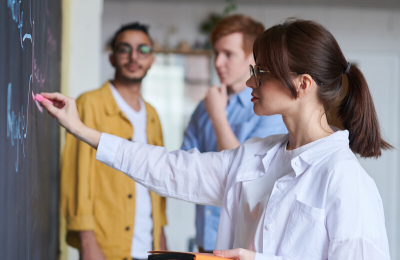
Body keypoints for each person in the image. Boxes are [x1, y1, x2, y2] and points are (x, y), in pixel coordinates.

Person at [42, 18, 392, 260]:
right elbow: (170, 169)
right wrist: (83, 130)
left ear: (302, 84)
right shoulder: (256, 155)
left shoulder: (345, 181)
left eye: (261, 72)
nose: (251, 82)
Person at [60, 22, 167, 260]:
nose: (133, 57)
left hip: (149, 247)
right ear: (112, 58)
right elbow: (76, 176)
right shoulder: (90, 104)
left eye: (143, 50)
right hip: (106, 246)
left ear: (152, 60)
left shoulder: (152, 116)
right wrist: (88, 243)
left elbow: (158, 179)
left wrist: (161, 237)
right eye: (124, 49)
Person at [181, 15, 287, 253]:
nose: (218, 62)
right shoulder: (204, 106)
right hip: (204, 241)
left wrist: (218, 116)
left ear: (251, 57)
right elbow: (186, 163)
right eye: (216, 53)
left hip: (244, 246)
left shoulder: (270, 110)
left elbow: (246, 173)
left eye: (228, 54)